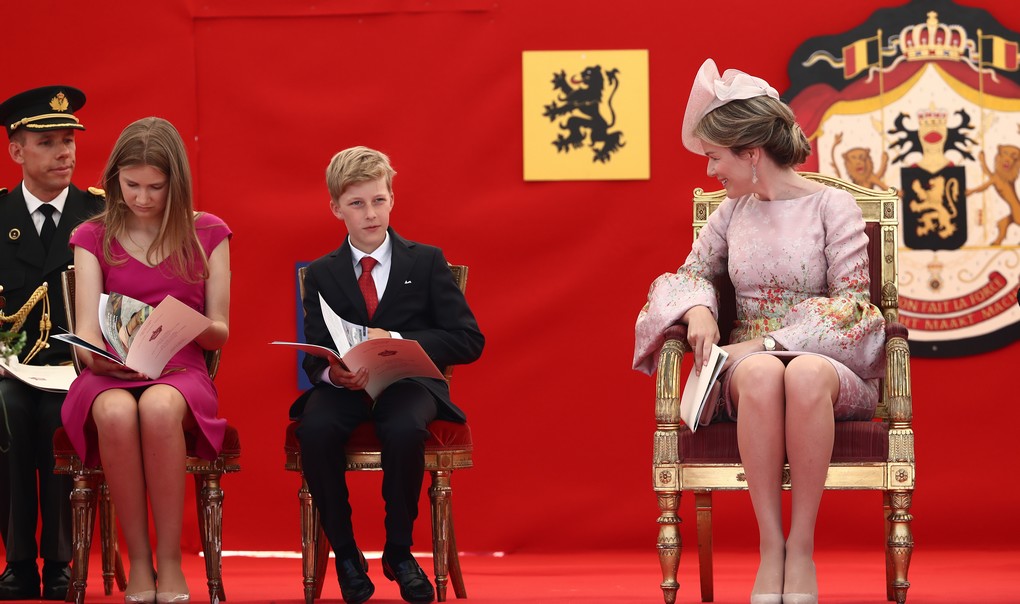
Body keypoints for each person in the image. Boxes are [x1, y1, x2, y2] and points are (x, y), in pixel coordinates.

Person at [633, 60, 886, 604]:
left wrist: (769, 341)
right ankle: (770, 549)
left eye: (715, 158)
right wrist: (698, 309)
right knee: (766, 373)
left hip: (829, 364)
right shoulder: (730, 213)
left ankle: (802, 549)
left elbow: (851, 309)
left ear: (751, 154)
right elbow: (689, 275)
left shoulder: (831, 206)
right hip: (747, 370)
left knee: (802, 372)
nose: (710, 173)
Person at [291, 146, 484, 604]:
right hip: (348, 386)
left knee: (403, 428)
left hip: (409, 383)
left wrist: (396, 335)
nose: (370, 213)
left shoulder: (427, 261)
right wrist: (335, 376)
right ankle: (347, 554)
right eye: (356, 204)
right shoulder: (320, 274)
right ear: (336, 208)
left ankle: (399, 551)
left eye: (378, 200)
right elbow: (313, 357)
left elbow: (468, 340)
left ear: (392, 198)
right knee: (314, 429)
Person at [60, 117, 231, 604]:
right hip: (109, 369)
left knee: (157, 408)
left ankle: (172, 561)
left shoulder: (209, 232)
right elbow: (84, 339)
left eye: (155, 187)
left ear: (175, 182)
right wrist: (102, 361)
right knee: (115, 411)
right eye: (131, 185)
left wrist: (181, 322)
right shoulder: (92, 235)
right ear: (114, 179)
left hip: (179, 367)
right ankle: (139, 562)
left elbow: (219, 332)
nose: (142, 197)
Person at [0, 85, 104, 600]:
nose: (65, 152)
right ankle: (18, 562)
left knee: (60, 414)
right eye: (48, 142)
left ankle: (62, 561)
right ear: (16, 150)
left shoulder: (101, 215)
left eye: (69, 140)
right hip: (9, 369)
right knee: (7, 413)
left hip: (78, 368)